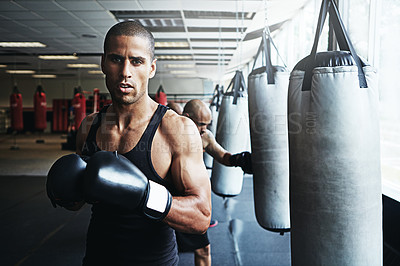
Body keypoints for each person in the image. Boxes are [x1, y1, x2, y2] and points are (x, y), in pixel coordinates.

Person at [47, 21, 211, 265]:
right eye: (116, 59)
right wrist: (69, 193)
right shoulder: (89, 127)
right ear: (103, 63)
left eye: (136, 61)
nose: (125, 71)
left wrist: (144, 195)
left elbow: (200, 217)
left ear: (152, 68)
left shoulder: (176, 130)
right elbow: (79, 202)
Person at [175, 99, 252, 266]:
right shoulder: (169, 134)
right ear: (187, 118)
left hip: (190, 202)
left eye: (207, 124)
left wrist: (239, 160)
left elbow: (222, 156)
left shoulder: (205, 136)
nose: (205, 128)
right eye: (201, 124)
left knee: (203, 250)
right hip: (169, 199)